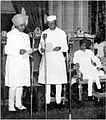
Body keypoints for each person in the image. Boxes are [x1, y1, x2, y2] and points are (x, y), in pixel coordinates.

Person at [38, 15, 68, 104]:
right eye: (49, 24)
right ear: (47, 24)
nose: (51, 26)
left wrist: (60, 48)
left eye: (53, 24)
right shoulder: (44, 33)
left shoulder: (61, 33)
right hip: (48, 59)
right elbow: (40, 46)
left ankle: (58, 99)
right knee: (48, 80)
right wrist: (41, 50)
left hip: (58, 59)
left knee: (58, 80)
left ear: (56, 23)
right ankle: (48, 99)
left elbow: (66, 47)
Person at [5, 14, 32, 111]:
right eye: (21, 26)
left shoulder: (26, 36)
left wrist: (29, 51)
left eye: (24, 25)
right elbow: (6, 50)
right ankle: (11, 106)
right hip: (14, 63)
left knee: (21, 84)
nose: (23, 27)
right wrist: (18, 51)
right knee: (13, 85)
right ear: (16, 26)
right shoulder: (10, 35)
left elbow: (28, 48)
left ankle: (19, 104)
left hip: (23, 62)